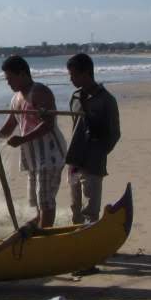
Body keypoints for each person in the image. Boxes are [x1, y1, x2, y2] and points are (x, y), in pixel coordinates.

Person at [0, 55, 67, 228]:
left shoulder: (40, 92)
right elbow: (9, 127)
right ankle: (38, 227)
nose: (8, 83)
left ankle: (44, 238)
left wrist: (23, 139)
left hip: (50, 155)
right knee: (38, 201)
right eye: (6, 79)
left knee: (46, 201)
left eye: (10, 78)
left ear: (23, 74)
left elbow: (48, 124)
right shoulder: (16, 98)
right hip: (32, 157)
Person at [63, 53, 121, 225]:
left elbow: (114, 133)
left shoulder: (106, 100)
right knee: (75, 205)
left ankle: (90, 236)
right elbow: (75, 127)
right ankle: (76, 235)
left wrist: (99, 152)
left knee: (90, 207)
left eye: (73, 75)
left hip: (93, 161)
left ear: (86, 73)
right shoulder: (74, 98)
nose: (71, 79)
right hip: (74, 159)